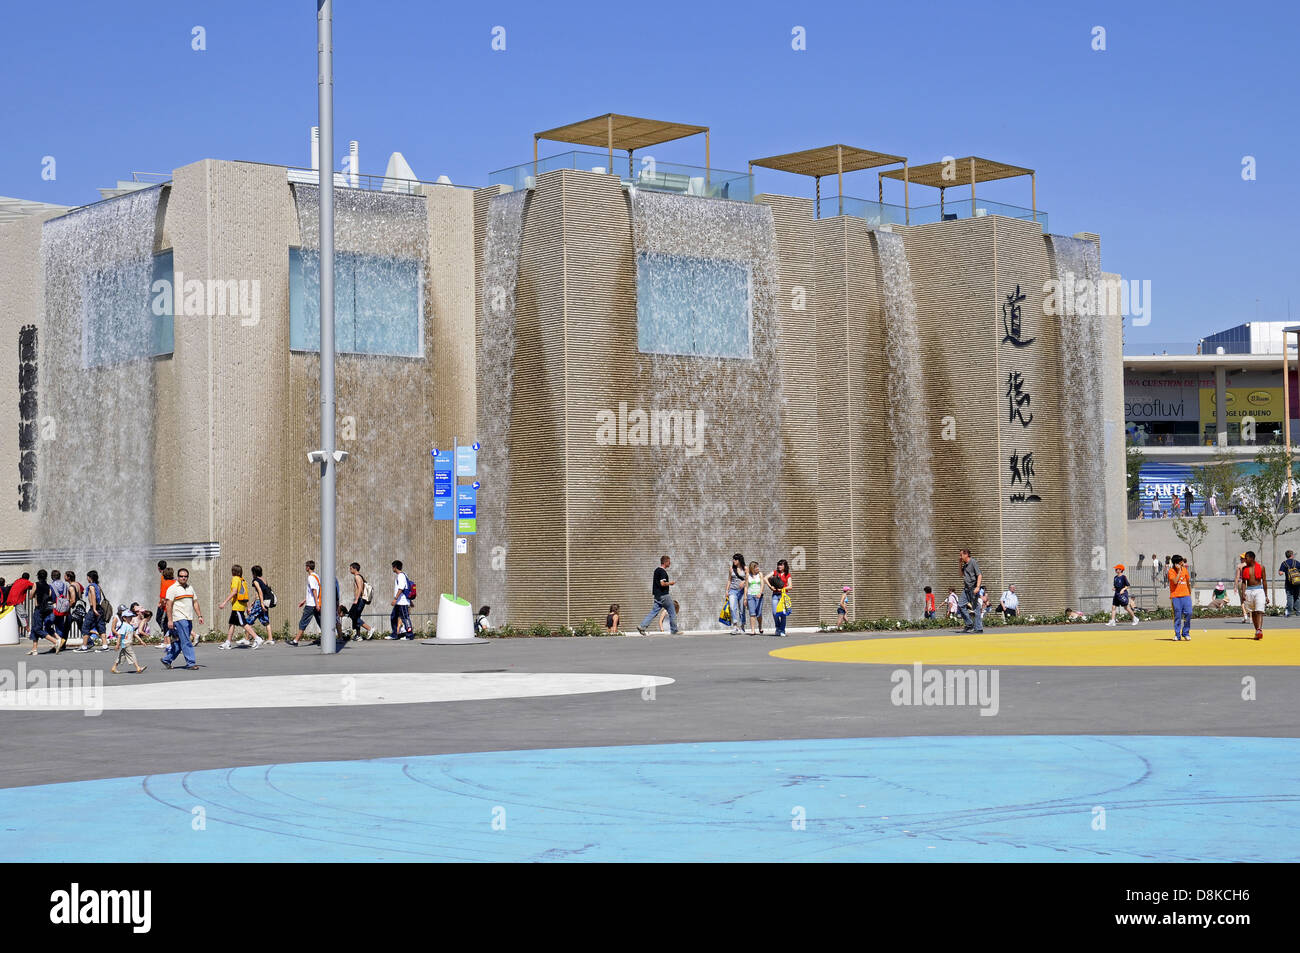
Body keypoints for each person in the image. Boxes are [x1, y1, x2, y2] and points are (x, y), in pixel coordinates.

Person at [162, 567, 203, 669]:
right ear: (178, 577)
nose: (183, 578)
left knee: (181, 642)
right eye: (181, 576)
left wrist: (200, 616)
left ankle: (167, 659)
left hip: (189, 618)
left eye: (185, 576)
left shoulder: (190, 588)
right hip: (179, 618)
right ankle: (191, 663)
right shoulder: (172, 589)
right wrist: (170, 620)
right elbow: (168, 605)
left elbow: (195, 602)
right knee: (186, 641)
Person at [217, 564, 262, 650]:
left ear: (233, 571)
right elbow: (245, 595)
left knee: (243, 623)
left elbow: (234, 592)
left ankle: (257, 638)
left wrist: (224, 602)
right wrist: (248, 607)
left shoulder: (235, 579)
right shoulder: (242, 580)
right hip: (240, 606)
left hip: (237, 606)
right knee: (232, 624)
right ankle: (228, 642)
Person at [637, 555, 678, 635]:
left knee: (654, 612)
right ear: (665, 562)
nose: (670, 563)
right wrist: (671, 583)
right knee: (672, 611)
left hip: (657, 596)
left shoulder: (656, 570)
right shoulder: (662, 571)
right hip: (664, 595)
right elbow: (662, 583)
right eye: (669, 562)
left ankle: (642, 626)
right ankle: (674, 630)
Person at [289, 560, 323, 647]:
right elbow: (315, 592)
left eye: (306, 566)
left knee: (303, 622)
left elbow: (314, 591)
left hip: (312, 605)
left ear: (308, 567)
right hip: (315, 603)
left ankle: (295, 641)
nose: (305, 568)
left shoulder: (311, 577)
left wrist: (316, 604)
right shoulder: (316, 576)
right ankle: (327, 639)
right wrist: (304, 601)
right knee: (321, 622)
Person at [110, 606, 148, 675]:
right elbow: (119, 635)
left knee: (121, 656)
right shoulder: (124, 626)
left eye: (131, 617)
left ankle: (114, 668)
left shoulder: (130, 626)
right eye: (128, 617)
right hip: (125, 643)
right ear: (124, 618)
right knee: (132, 655)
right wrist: (118, 644)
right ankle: (138, 668)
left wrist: (141, 641)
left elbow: (135, 634)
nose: (130, 618)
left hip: (127, 643)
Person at [78, 570, 109, 651]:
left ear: (90, 578)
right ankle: (105, 646)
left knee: (85, 626)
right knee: (101, 626)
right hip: (100, 609)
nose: (87, 578)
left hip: (94, 609)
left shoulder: (91, 586)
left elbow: (94, 597)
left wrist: (94, 609)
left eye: (87, 577)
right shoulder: (98, 586)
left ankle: (84, 647)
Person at [1240, 550, 1267, 641]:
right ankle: (1257, 631)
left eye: (1246, 558)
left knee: (1259, 610)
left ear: (1251, 558)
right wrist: (1243, 593)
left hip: (1259, 590)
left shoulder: (1261, 567)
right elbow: (1244, 582)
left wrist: (1266, 595)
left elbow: (1264, 581)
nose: (1244, 560)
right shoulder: (1244, 569)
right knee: (1253, 612)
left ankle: (1259, 630)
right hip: (1249, 590)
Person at [1167, 554, 1193, 642]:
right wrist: (1178, 571)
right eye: (1181, 562)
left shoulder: (1185, 570)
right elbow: (1174, 581)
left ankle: (1186, 633)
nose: (1182, 563)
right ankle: (1177, 635)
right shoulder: (1171, 571)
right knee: (1177, 616)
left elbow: (1188, 582)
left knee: (1189, 613)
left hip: (1186, 595)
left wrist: (1189, 593)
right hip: (1176, 596)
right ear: (1176, 563)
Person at [957, 549, 983, 633]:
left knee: (976, 608)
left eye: (961, 555)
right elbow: (961, 575)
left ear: (966, 554)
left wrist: (978, 587)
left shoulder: (973, 562)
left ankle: (979, 628)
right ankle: (969, 624)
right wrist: (960, 563)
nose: (960, 557)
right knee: (960, 605)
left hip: (973, 588)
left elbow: (979, 575)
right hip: (966, 589)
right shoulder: (965, 564)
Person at [348, 563, 375, 639]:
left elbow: (360, 588)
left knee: (354, 616)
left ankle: (369, 629)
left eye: (351, 568)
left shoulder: (357, 577)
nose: (350, 570)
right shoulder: (359, 577)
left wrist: (356, 599)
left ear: (355, 569)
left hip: (359, 599)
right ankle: (358, 635)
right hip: (359, 599)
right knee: (355, 616)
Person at [247, 566, 274, 644]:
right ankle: (270, 638)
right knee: (266, 620)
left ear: (254, 573)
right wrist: (254, 601)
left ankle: (246, 639)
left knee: (249, 620)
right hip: (263, 602)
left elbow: (259, 592)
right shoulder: (264, 580)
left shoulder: (255, 581)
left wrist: (260, 603)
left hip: (260, 603)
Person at [388, 560, 413, 639]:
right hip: (399, 602)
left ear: (395, 567)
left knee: (405, 618)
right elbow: (407, 588)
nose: (392, 568)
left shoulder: (401, 576)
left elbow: (401, 588)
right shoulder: (403, 575)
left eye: (393, 567)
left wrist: (395, 599)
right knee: (393, 617)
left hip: (402, 601)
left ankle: (409, 635)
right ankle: (395, 634)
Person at [6, 572, 33, 641]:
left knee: (16, 618)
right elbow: (34, 586)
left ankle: (18, 633)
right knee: (23, 616)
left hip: (9, 602)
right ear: (28, 578)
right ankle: (29, 632)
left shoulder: (17, 581)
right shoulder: (26, 582)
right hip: (17, 601)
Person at [741, 560, 765, 636]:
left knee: (759, 613)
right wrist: (745, 598)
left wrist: (760, 593)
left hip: (759, 596)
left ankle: (760, 626)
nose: (758, 568)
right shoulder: (748, 575)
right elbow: (746, 587)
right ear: (752, 568)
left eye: (758, 566)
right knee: (752, 613)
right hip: (750, 595)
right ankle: (753, 630)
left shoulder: (760, 574)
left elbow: (762, 584)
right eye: (756, 567)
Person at [770, 559, 792, 637]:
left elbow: (790, 586)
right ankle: (778, 627)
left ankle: (782, 630)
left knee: (783, 614)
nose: (779, 566)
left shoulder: (787, 575)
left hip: (783, 596)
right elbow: (765, 578)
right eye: (778, 565)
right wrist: (771, 587)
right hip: (775, 595)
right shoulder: (775, 573)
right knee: (774, 613)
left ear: (784, 566)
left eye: (781, 565)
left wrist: (783, 589)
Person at [725, 553, 746, 634]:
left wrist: (744, 581)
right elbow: (729, 580)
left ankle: (742, 626)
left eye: (735, 559)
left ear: (739, 560)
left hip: (742, 591)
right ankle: (735, 626)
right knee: (732, 608)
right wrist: (727, 590)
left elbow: (748, 579)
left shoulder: (745, 568)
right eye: (733, 559)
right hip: (732, 590)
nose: (734, 561)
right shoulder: (731, 569)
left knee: (742, 609)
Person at [1279, 550, 1300, 617]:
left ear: (1286, 556)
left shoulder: (1284, 563)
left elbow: (1280, 573)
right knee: (1297, 597)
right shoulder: (1297, 562)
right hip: (1297, 582)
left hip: (1289, 583)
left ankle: (1289, 612)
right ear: (1292, 555)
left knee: (1289, 596)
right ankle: (1298, 612)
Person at [1234, 553, 1249, 624]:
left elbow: (1237, 577)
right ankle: (1251, 617)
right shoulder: (1250, 565)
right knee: (1249, 600)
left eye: (1241, 558)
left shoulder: (1239, 566)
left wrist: (1235, 587)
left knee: (1242, 600)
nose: (1240, 559)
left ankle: (1245, 615)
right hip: (1249, 583)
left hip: (1241, 582)